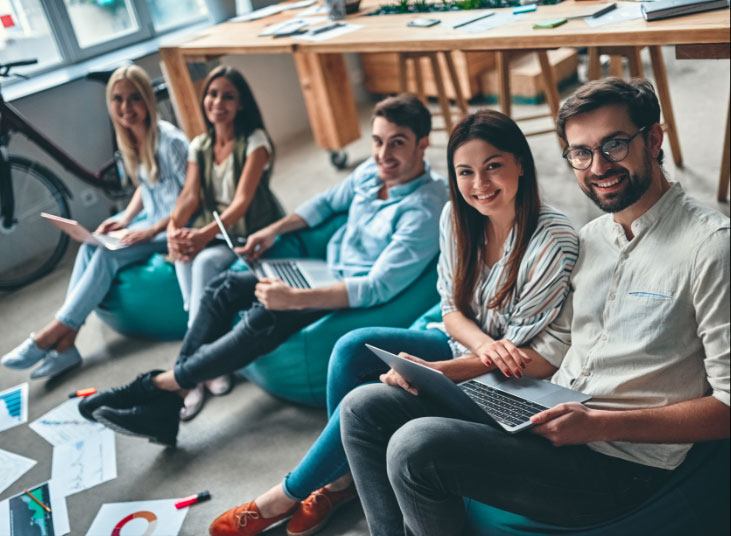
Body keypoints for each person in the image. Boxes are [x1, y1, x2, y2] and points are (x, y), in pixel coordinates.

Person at [340, 78, 730, 536]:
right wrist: (444, 371)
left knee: (416, 446)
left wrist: (597, 424)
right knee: (363, 407)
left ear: (654, 139)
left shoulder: (710, 248)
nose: (598, 166)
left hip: (621, 463)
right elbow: (550, 354)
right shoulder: (593, 239)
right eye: (581, 153)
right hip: (548, 417)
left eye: (615, 144)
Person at [206, 109, 579, 536]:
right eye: (465, 171)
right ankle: (341, 481)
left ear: (521, 164)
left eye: (494, 166)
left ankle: (283, 496)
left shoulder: (552, 242)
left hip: (510, 382)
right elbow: (451, 309)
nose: (480, 185)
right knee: (351, 346)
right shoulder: (457, 218)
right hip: (472, 350)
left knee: (369, 398)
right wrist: (479, 346)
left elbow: (524, 356)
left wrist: (441, 372)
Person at [78, 93, 449, 449]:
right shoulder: (371, 172)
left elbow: (376, 288)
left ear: (422, 144)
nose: (383, 155)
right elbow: (322, 206)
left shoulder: (424, 209)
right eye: (378, 141)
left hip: (348, 292)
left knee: (266, 314)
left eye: (397, 143)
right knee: (222, 287)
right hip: (321, 269)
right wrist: (272, 231)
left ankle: (156, 387)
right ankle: (173, 396)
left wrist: (294, 298)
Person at [2, 65, 188, 380]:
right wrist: (126, 218)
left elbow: (189, 199)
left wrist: (149, 231)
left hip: (173, 225)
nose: (126, 108)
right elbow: (147, 185)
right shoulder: (133, 138)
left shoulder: (170, 140)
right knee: (91, 245)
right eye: (118, 99)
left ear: (147, 100)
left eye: (134, 99)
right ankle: (66, 346)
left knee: (107, 253)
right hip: (150, 217)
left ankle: (52, 333)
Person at [167, 65, 286, 419]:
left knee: (202, 261)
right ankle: (207, 360)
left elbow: (242, 202)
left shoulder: (256, 142)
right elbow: (189, 197)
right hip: (214, 227)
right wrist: (175, 229)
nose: (217, 102)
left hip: (248, 229)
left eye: (228, 96)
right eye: (212, 94)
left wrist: (202, 236)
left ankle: (191, 367)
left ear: (241, 105)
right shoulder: (200, 145)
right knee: (183, 257)